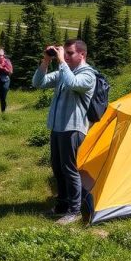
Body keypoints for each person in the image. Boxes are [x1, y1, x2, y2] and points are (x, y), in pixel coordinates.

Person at [32, 39, 97, 225]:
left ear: (82, 55)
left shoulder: (88, 74)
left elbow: (72, 83)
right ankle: (61, 205)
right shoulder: (64, 70)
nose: (66, 56)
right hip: (58, 127)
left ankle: (74, 210)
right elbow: (38, 82)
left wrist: (61, 62)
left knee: (70, 169)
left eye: (70, 53)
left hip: (74, 129)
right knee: (58, 168)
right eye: (65, 53)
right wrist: (46, 61)